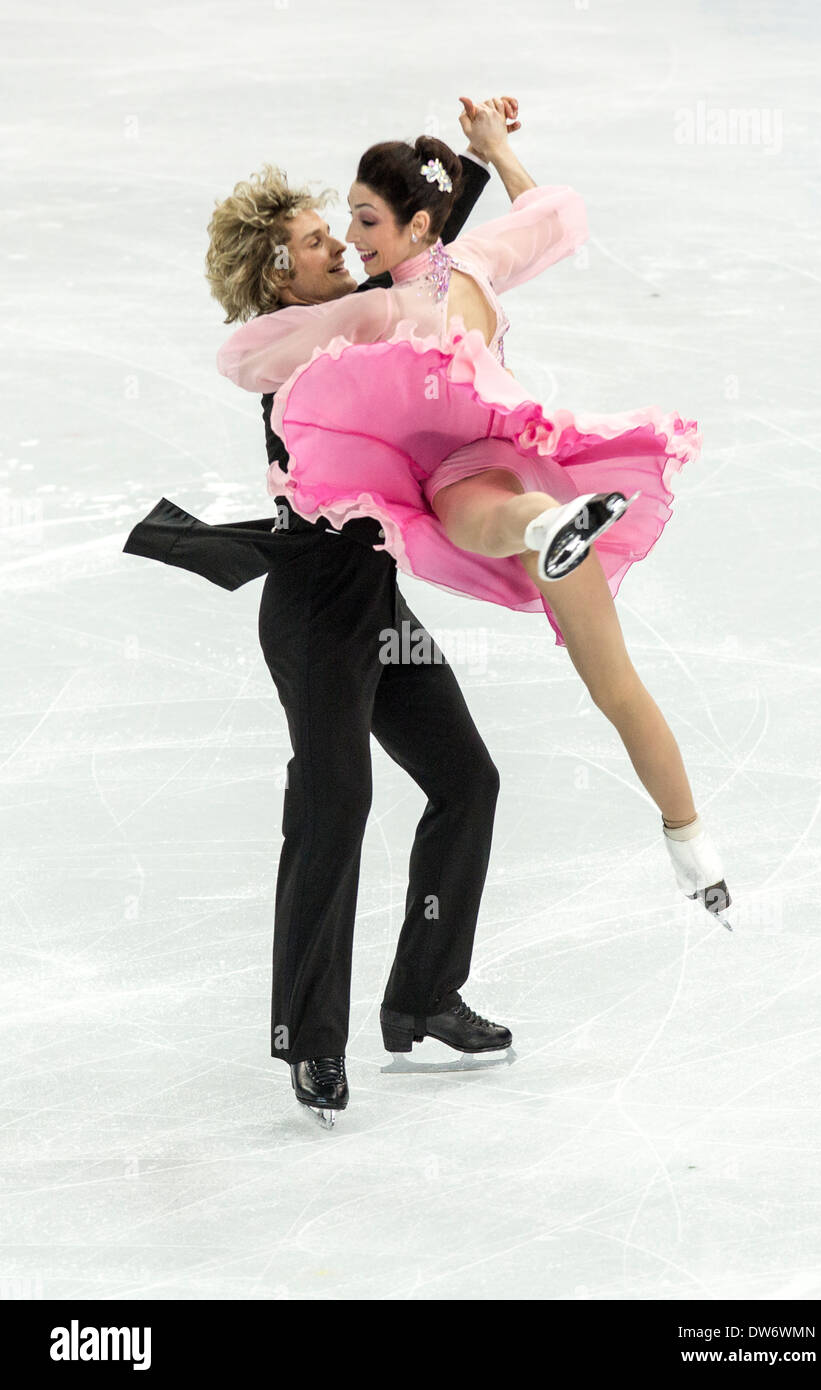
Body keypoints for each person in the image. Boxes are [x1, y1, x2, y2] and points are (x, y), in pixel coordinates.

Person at [214, 100, 735, 949]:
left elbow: (244, 360)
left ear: (415, 219)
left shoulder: (375, 311)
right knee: (617, 687)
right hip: (534, 459)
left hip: (471, 480)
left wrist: (320, 326)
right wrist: (496, 149)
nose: (351, 238)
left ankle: (547, 529)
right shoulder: (479, 260)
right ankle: (694, 846)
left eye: (364, 218)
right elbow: (556, 214)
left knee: (476, 517)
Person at [126, 99, 528, 1129]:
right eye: (317, 241)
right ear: (279, 275)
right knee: (333, 805)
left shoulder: (354, 311)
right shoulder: (294, 349)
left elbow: (417, 269)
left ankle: (422, 994)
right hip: (312, 615)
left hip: (373, 605)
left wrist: (455, 165)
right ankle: (311, 1042)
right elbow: (400, 297)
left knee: (464, 781)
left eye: (343, 228)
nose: (341, 245)